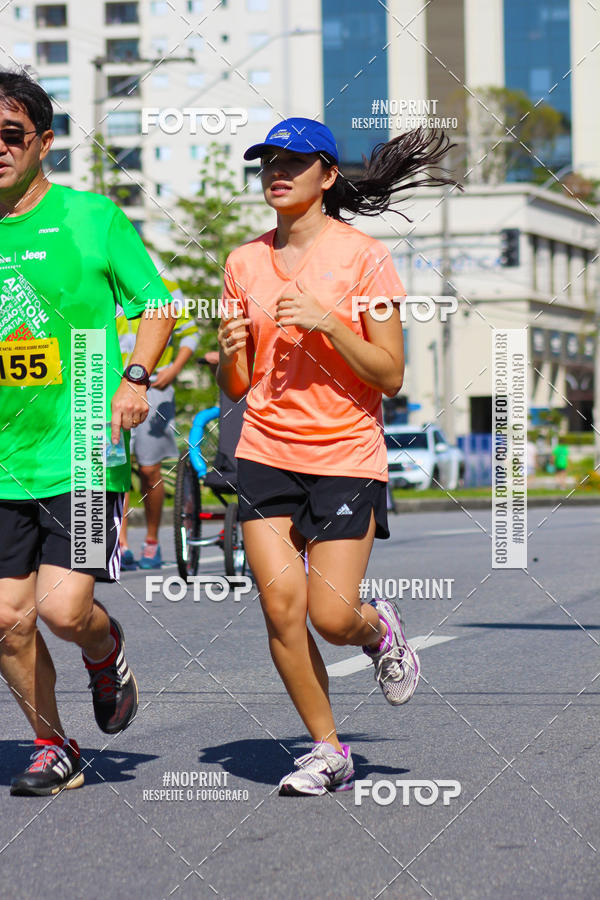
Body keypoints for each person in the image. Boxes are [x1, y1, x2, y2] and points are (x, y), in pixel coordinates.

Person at [217, 117, 457, 795]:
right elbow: (235, 386)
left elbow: (389, 373)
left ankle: (380, 629)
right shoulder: (242, 262)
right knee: (281, 608)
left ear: (326, 175)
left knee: (329, 614)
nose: (276, 173)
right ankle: (329, 751)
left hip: (345, 452)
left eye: (293, 162)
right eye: (267, 162)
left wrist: (326, 321)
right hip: (264, 449)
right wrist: (231, 350)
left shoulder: (364, 259)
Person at [0, 70, 176, 796]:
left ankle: (104, 653)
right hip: (4, 455)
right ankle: (52, 744)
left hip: (80, 443)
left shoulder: (92, 218)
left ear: (44, 142)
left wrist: (136, 378)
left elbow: (158, 303)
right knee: (7, 621)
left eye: (10, 135)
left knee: (64, 611)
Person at [117, 280, 199, 570]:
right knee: (117, 465)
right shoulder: (105, 281)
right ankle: (120, 544)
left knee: (150, 469)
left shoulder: (167, 284)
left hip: (153, 383)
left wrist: (174, 370)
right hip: (113, 384)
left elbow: (190, 334)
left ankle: (152, 541)